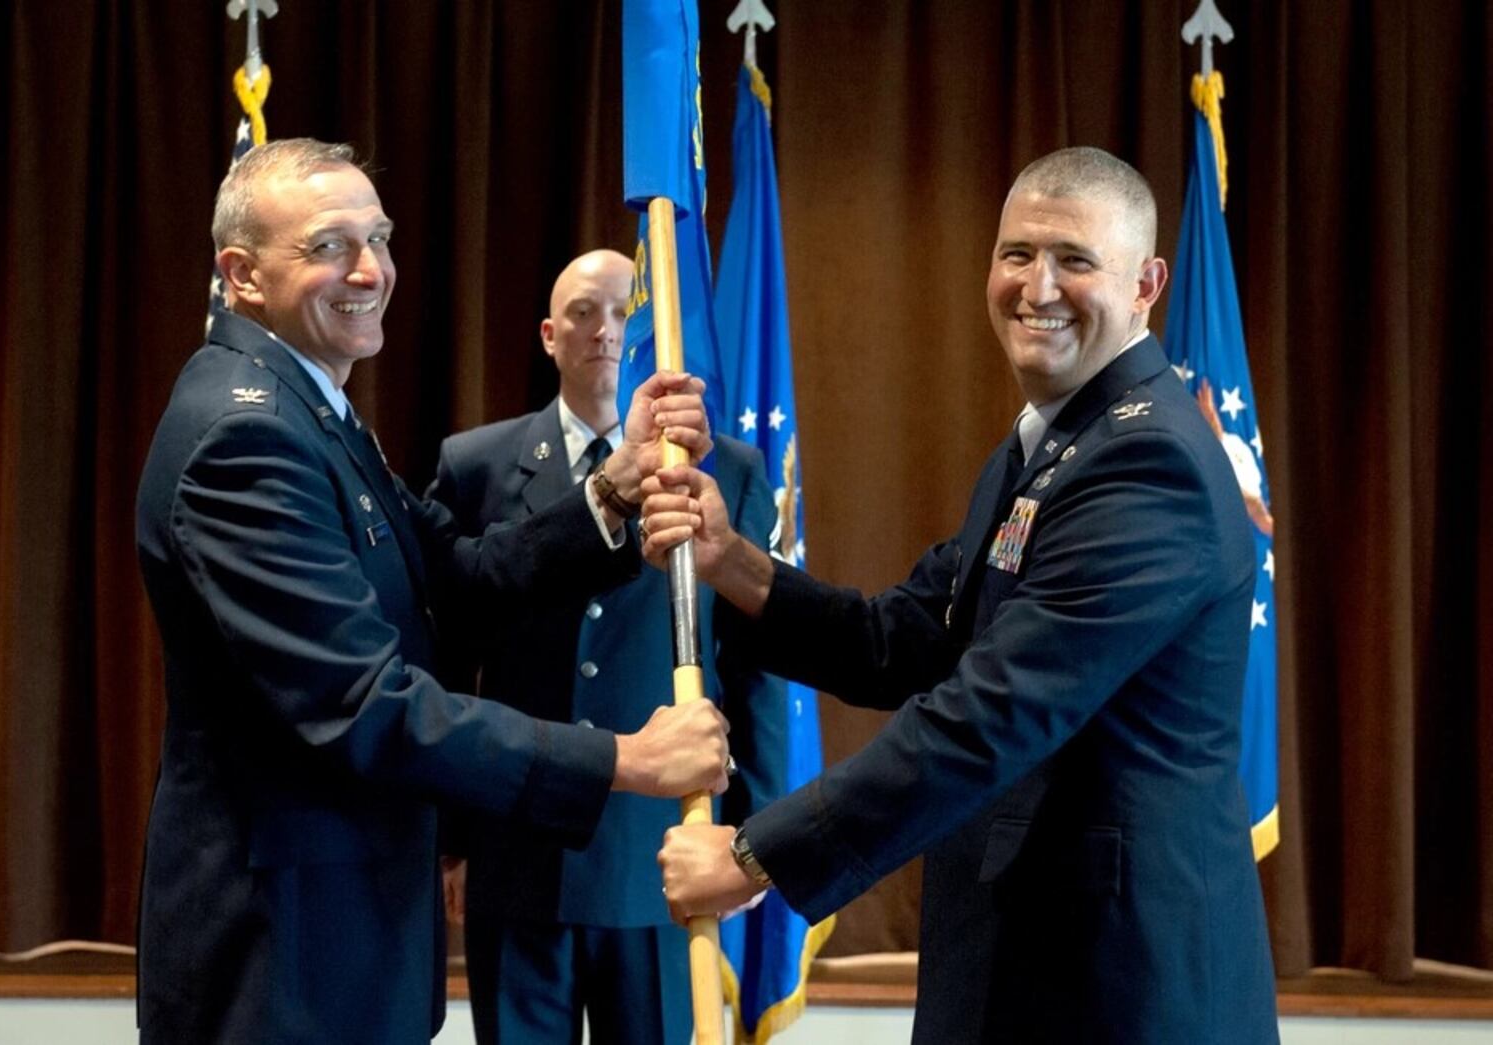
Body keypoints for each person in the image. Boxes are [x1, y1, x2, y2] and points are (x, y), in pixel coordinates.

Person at [645, 147, 1280, 1044]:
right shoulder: (1048, 447)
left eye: (1075, 260)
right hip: (1027, 961)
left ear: (1147, 283)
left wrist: (756, 856)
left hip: (1119, 987)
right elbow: (901, 639)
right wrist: (731, 562)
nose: (1038, 286)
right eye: (1017, 253)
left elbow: (991, 715)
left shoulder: (1149, 464)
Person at [134, 138, 731, 1045]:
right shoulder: (244, 439)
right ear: (242, 275)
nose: (371, 270)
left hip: (342, 937)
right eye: (330, 246)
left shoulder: (309, 407)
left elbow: (451, 581)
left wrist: (615, 484)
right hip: (284, 958)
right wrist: (624, 760)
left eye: (379, 238)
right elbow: (367, 705)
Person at [429, 249, 788, 1045]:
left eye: (626, 313)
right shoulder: (476, 464)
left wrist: (754, 831)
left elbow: (755, 667)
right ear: (549, 336)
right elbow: (450, 655)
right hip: (517, 850)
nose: (606, 331)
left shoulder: (727, 469)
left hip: (658, 856)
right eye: (584, 313)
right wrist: (451, 839)